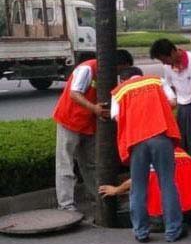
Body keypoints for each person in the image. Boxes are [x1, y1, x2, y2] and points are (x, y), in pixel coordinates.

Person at [111, 66, 186, 243]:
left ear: (123, 79)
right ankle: (173, 231)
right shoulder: (156, 81)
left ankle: (141, 232)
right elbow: (173, 102)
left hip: (136, 141)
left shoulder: (119, 91)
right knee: (167, 183)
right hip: (160, 136)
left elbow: (116, 117)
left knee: (138, 187)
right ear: (140, 75)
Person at [52, 50, 134, 211]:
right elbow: (75, 94)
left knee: (91, 164)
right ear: (115, 64)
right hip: (70, 120)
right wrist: (94, 109)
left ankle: (98, 199)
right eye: (121, 69)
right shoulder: (88, 69)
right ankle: (66, 205)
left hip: (88, 124)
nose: (120, 73)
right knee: (65, 164)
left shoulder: (106, 74)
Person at [98, 146, 191, 224]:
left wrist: (117, 190)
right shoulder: (178, 150)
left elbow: (137, 179)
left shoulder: (151, 154)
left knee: (141, 189)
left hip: (180, 212)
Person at [150, 39, 191, 184]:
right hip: (182, 109)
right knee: (182, 149)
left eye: (165, 59)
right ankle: (188, 187)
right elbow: (171, 88)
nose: (165, 63)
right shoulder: (168, 67)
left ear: (172, 52)